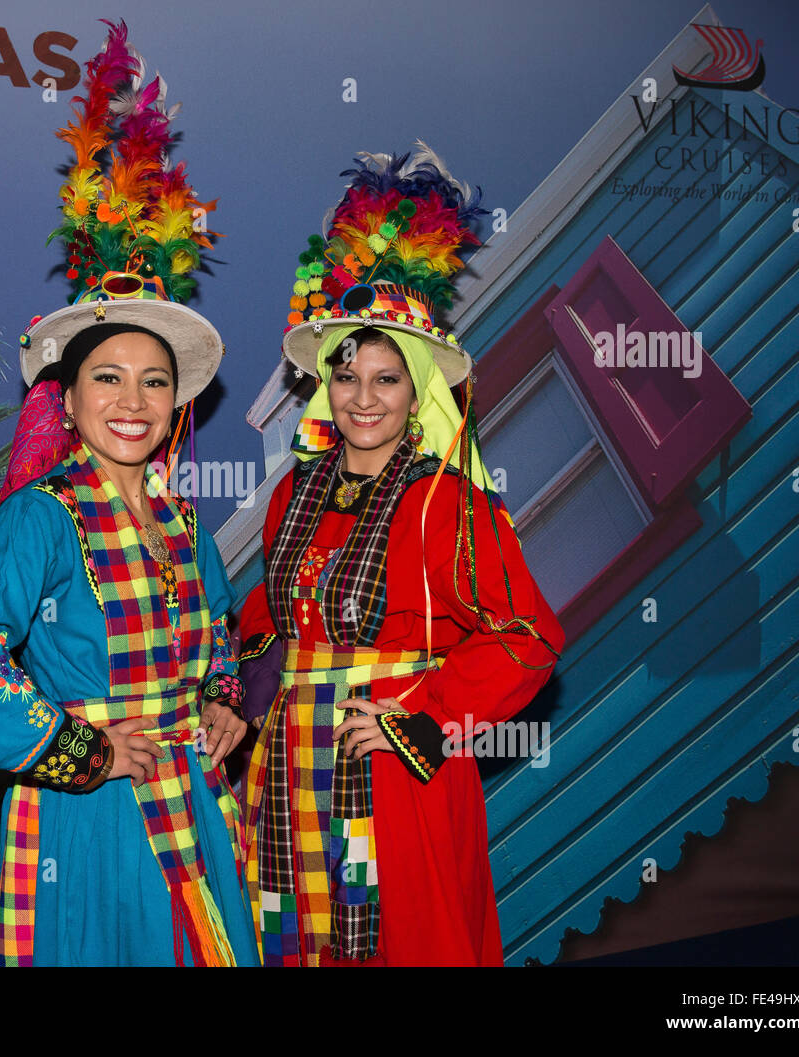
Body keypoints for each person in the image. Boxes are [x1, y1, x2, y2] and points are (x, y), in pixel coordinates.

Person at [0, 22, 258, 966]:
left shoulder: (183, 524)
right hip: (92, 820)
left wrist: (226, 705)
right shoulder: (44, 515)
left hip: (193, 802)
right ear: (66, 399)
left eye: (155, 380)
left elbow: (221, 643)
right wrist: (80, 751)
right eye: (106, 377)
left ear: (177, 401)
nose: (133, 400)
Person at [238, 144, 565, 966]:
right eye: (347, 375)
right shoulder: (293, 494)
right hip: (284, 778)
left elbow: (528, 636)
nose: (363, 398)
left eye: (387, 379)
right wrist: (233, 699)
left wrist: (422, 719)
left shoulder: (446, 503)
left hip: (389, 781)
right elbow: (265, 623)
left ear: (418, 389)